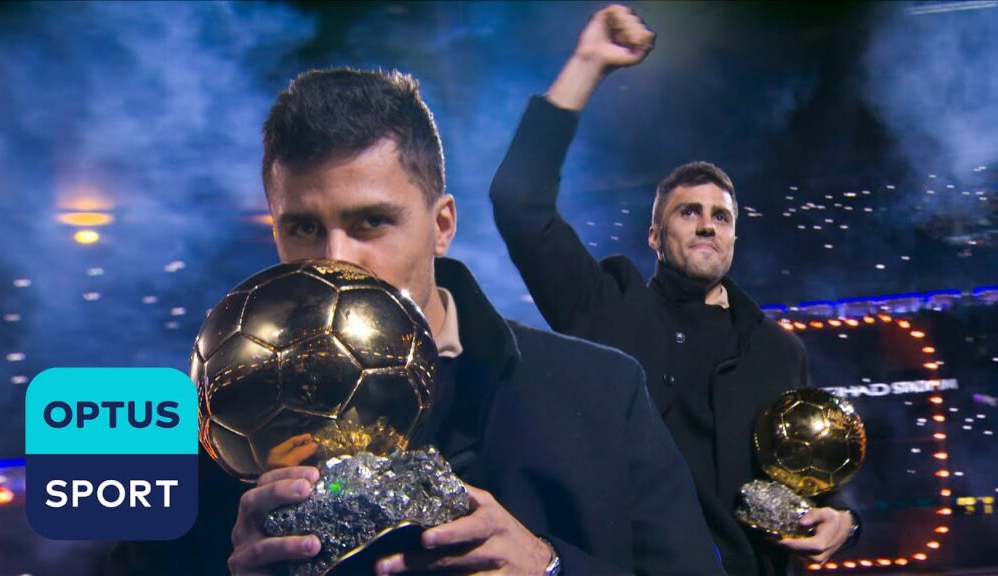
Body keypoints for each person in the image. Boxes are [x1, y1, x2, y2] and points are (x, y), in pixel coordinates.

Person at [104, 68, 723, 575]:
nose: (336, 260)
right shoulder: (204, 425)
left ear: (442, 225)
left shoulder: (602, 389)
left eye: (371, 222)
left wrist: (550, 567)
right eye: (304, 227)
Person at [489, 5, 858, 576]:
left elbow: (805, 477)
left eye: (721, 216)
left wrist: (844, 518)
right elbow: (519, 202)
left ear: (735, 235)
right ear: (655, 236)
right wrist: (588, 64)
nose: (708, 224)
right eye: (690, 212)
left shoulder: (779, 351)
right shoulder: (604, 305)